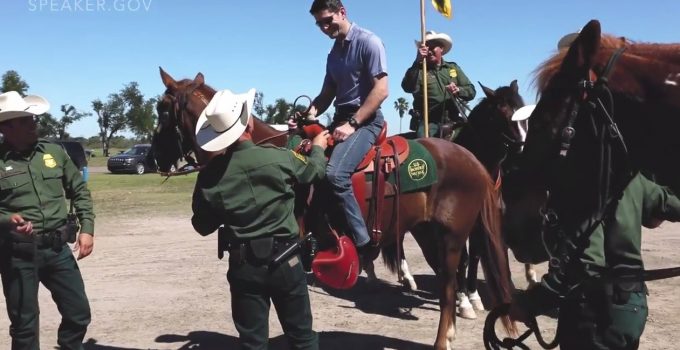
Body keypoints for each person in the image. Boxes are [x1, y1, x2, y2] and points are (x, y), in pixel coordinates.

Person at [191, 88, 329, 350]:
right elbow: (315, 172)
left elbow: (202, 226)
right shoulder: (279, 158)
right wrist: (319, 148)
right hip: (286, 261)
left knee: (252, 344)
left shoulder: (209, 177)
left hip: (244, 267)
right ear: (249, 122)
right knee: (302, 339)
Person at [509, 172, 680, 349]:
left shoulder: (571, 185)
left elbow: (581, 270)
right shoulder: (632, 177)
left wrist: (530, 304)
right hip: (633, 308)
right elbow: (671, 204)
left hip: (594, 315)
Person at [0, 91, 95, 349]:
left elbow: (79, 191)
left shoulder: (54, 152)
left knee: (78, 313)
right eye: (26, 120)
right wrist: (8, 220)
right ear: (7, 127)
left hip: (56, 249)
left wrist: (87, 228)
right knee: (24, 326)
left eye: (33, 118)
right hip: (17, 254)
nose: (34, 124)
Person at [303, 0, 388, 250]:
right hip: (341, 119)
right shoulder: (333, 53)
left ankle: (363, 241)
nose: (324, 27)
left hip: (366, 121)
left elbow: (381, 90)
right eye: (319, 24)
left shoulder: (369, 41)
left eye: (328, 20)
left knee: (335, 174)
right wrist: (308, 114)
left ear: (343, 12)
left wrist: (353, 123)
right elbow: (327, 93)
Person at [402, 30, 476, 138]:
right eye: (426, 48)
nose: (429, 51)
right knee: (426, 147)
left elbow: (471, 91)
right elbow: (407, 87)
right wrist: (417, 62)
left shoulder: (452, 68)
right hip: (429, 122)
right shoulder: (418, 70)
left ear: (441, 48)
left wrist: (458, 90)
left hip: (453, 119)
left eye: (432, 47)